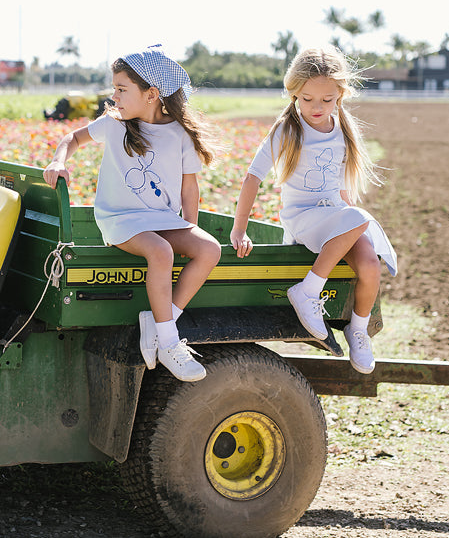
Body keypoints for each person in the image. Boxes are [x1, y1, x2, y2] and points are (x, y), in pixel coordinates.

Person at [43, 44, 222, 382]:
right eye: (115, 89)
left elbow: (189, 188)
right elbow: (72, 138)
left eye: (122, 90)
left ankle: (160, 320)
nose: (115, 97)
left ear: (152, 94)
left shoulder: (179, 134)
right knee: (160, 251)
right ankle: (169, 341)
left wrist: (190, 229)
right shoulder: (114, 125)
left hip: (163, 219)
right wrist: (58, 160)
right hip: (120, 217)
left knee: (209, 249)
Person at [230, 45, 397, 374]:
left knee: (369, 264)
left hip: (334, 214)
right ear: (293, 93)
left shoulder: (343, 130)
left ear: (340, 95)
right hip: (303, 217)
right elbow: (252, 179)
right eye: (307, 99)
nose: (316, 107)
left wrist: (350, 224)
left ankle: (358, 330)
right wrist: (239, 229)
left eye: (326, 99)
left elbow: (342, 187)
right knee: (359, 220)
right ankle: (307, 291)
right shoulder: (287, 131)